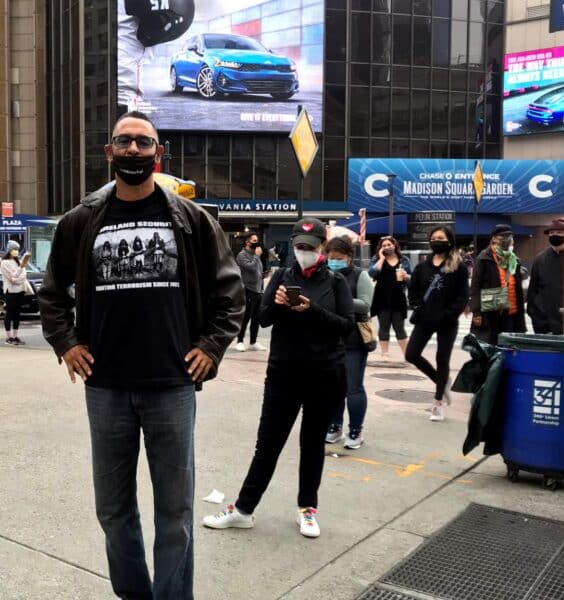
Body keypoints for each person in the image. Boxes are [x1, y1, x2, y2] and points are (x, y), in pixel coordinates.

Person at [38, 111, 244, 600]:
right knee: (113, 509)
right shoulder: (81, 221)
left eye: (143, 142)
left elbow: (230, 293)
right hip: (105, 387)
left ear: (159, 153)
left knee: (175, 514)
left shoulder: (192, 221)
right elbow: (51, 292)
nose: (133, 149)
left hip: (172, 386)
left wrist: (211, 347)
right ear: (109, 153)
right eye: (124, 142)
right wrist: (66, 343)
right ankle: (134, 594)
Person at [203, 217, 352, 539]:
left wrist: (311, 310)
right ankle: (243, 509)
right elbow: (263, 318)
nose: (304, 253)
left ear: (323, 247)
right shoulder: (282, 276)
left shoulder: (336, 282)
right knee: (267, 445)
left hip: (324, 375)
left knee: (312, 444)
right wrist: (281, 304)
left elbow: (346, 326)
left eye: (310, 248)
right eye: (299, 247)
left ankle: (307, 508)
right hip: (284, 374)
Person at [405, 226, 470, 422]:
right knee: (411, 354)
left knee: (443, 359)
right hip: (425, 319)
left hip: (447, 322)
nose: (436, 241)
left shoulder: (458, 267)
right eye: (433, 238)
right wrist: (417, 305)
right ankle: (441, 382)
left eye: (440, 238)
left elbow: (462, 296)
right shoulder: (422, 267)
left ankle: (437, 402)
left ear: (449, 241)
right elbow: (413, 291)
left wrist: (448, 315)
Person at [325, 236, 373, 449]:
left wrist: (339, 300)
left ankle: (356, 430)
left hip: (354, 340)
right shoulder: (324, 275)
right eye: (331, 258)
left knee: (353, 387)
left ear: (349, 258)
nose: (334, 261)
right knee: (333, 388)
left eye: (339, 258)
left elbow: (365, 304)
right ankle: (334, 427)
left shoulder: (359, 275)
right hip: (329, 339)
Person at [468, 224, 526, 345]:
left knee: (509, 348)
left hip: (511, 313)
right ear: (494, 238)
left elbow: (517, 288)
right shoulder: (484, 258)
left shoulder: (514, 259)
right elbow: (475, 286)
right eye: (502, 236)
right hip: (491, 313)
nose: (507, 239)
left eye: (509, 236)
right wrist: (476, 312)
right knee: (491, 347)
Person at [368, 236, 411, 361]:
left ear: (395, 245)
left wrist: (406, 276)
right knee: (384, 326)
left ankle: (407, 355)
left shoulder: (404, 260)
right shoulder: (376, 259)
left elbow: (412, 280)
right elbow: (371, 274)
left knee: (399, 327)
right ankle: (385, 353)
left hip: (398, 297)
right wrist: (381, 258)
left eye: (389, 244)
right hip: (381, 297)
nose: (387, 247)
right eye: (384, 245)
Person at [234, 233, 266, 352]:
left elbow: (257, 272)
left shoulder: (255, 256)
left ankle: (253, 342)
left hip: (258, 291)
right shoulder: (242, 255)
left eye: (257, 240)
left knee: (256, 318)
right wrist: (257, 257)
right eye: (254, 240)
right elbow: (251, 268)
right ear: (247, 242)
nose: (256, 242)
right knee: (245, 317)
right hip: (247, 290)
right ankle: (240, 341)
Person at [0, 240, 30, 345]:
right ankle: (9, 337)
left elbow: (23, 276)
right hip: (11, 291)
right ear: (9, 250)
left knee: (17, 314)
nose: (16, 251)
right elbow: (12, 278)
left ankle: (15, 336)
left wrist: (19, 273)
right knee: (10, 313)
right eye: (14, 249)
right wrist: (20, 270)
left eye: (17, 249)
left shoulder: (18, 261)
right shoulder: (4, 263)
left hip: (21, 290)